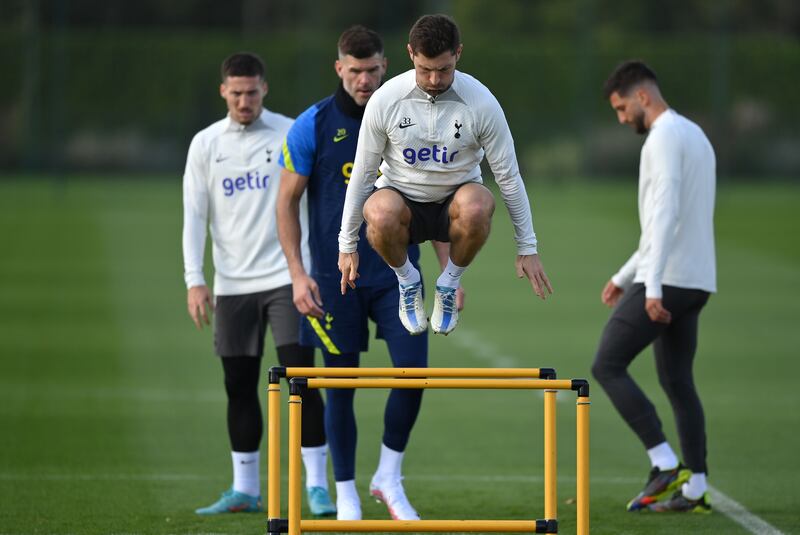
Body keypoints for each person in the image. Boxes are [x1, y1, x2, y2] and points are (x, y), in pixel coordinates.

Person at [277, 26, 460, 522]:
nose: (364, 79)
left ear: (387, 65)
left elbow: (435, 196)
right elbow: (286, 204)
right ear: (339, 68)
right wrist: (297, 274)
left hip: (398, 276)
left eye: (373, 69)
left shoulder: (413, 117)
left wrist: (449, 269)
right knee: (340, 386)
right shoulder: (312, 124)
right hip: (335, 281)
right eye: (354, 70)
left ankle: (388, 477)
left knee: (414, 373)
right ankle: (346, 495)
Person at [182, 52, 335, 516]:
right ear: (223, 92)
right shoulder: (206, 144)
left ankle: (317, 487)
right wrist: (195, 279)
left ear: (264, 89)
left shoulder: (291, 132)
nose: (244, 100)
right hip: (231, 285)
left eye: (252, 92)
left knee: (301, 380)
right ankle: (245, 489)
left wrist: (309, 271)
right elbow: (194, 214)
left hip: (288, 279)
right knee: (239, 384)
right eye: (236, 92)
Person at [337, 14, 552, 338]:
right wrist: (347, 243)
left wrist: (528, 247)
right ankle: (408, 282)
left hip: (456, 201)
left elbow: (509, 177)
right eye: (426, 70)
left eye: (444, 69)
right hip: (402, 201)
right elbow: (364, 175)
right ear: (411, 54)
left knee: (479, 204)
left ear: (458, 54)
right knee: (378, 212)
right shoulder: (386, 100)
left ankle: (448, 284)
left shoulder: (481, 104)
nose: (435, 79)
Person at [592, 60, 716, 514]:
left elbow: (663, 217)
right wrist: (624, 277)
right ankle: (696, 487)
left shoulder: (663, 138)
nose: (622, 119)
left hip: (668, 278)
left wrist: (652, 288)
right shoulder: (695, 134)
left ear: (642, 97)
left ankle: (664, 463)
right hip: (697, 279)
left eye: (622, 109)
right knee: (678, 381)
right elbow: (678, 219)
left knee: (607, 364)